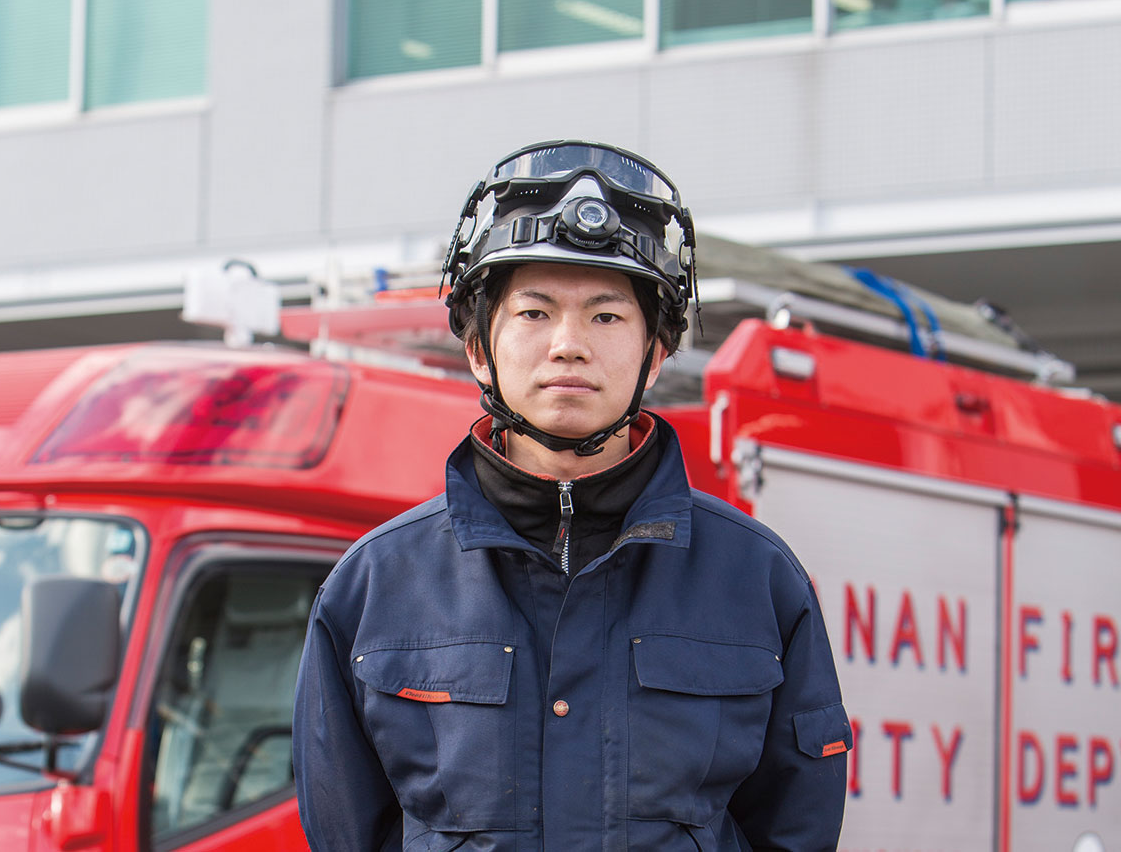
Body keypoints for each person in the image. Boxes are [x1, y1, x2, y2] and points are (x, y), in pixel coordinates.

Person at [293, 140, 849, 851]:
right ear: (477, 348)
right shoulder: (374, 588)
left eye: (607, 316)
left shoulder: (758, 580)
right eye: (533, 312)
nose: (568, 344)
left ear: (656, 353)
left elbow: (795, 829)